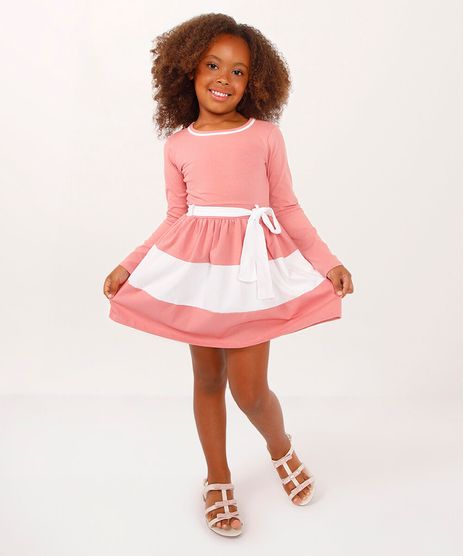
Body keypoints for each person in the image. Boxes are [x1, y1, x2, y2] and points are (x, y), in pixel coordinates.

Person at [103, 13, 354, 537]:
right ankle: (217, 477)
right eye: (213, 65)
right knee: (208, 380)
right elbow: (176, 217)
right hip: (199, 275)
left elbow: (286, 207)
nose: (224, 78)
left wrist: (327, 261)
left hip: (250, 276)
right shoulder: (178, 145)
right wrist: (130, 264)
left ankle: (280, 448)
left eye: (238, 71)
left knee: (250, 390)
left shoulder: (264, 136)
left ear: (254, 81)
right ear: (189, 70)